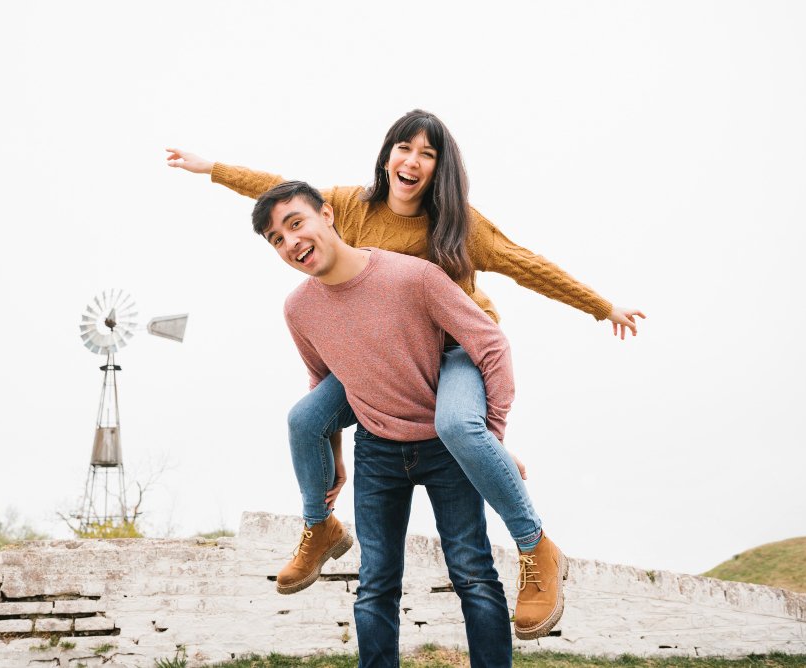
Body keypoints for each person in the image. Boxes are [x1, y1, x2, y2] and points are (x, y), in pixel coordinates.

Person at [166, 110, 643, 639]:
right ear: (387, 154)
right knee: (305, 418)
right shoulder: (348, 205)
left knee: (459, 427)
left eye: (427, 153)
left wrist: (601, 307)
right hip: (381, 357)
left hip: (453, 351)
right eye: (403, 147)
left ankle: (536, 547)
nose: (412, 161)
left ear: (441, 168)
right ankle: (319, 526)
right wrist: (212, 168)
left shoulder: (457, 224)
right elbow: (281, 197)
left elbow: (525, 264)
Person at [254, 180, 518, 666]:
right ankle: (320, 528)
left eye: (295, 224)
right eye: (276, 238)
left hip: (446, 445)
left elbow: (488, 347)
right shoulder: (298, 308)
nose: (290, 241)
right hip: (376, 450)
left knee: (473, 572)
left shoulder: (411, 276)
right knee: (375, 585)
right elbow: (324, 381)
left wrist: (491, 441)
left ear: (328, 215)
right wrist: (332, 453)